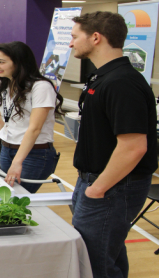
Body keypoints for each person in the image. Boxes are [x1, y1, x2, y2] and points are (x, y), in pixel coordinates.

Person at [69, 12, 158, 278]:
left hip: (112, 188)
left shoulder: (121, 82)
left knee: (95, 263)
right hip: (97, 183)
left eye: (75, 37)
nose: (71, 43)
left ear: (95, 38)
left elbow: (134, 147)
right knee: (108, 254)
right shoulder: (103, 77)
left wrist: (98, 189)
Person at [0, 41, 62, 192]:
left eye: (1, 62)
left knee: (18, 199)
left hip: (35, 154)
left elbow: (35, 128)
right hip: (7, 150)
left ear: (19, 63)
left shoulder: (41, 87)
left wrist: (17, 162)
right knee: (6, 196)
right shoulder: (1, 85)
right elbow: (0, 122)